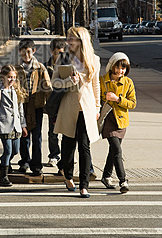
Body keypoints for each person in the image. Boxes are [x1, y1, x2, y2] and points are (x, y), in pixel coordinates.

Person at [52, 26, 100, 198]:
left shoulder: (93, 60)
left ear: (81, 40)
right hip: (68, 106)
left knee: (85, 147)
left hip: (86, 108)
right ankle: (68, 176)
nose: (68, 41)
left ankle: (84, 186)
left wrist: (97, 107)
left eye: (71, 38)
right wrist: (69, 82)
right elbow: (54, 82)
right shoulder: (63, 58)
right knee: (68, 145)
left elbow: (96, 86)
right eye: (68, 38)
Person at [99, 52, 136, 194]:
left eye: (124, 68)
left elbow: (132, 104)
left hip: (121, 121)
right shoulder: (102, 80)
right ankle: (123, 180)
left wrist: (118, 99)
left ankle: (106, 176)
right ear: (112, 66)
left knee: (113, 151)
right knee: (117, 150)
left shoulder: (128, 82)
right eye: (119, 67)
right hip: (108, 119)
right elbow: (97, 99)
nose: (121, 71)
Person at [16, 38, 52, 175]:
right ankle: (25, 161)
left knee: (36, 137)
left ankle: (36, 165)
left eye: (29, 52)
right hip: (22, 107)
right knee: (23, 136)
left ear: (34, 51)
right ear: (19, 52)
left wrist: (51, 106)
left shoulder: (40, 68)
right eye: (24, 53)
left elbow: (47, 87)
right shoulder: (16, 68)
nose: (27, 56)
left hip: (36, 106)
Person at [44, 37, 68, 172]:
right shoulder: (46, 66)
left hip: (64, 103)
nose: (58, 56)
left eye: (61, 53)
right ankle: (54, 154)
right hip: (52, 103)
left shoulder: (68, 66)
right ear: (51, 52)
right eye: (56, 53)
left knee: (66, 131)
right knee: (52, 132)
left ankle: (66, 154)